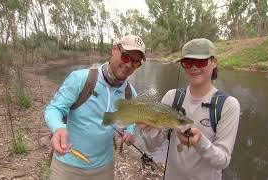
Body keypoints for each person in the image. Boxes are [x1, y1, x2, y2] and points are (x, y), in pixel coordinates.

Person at [44, 34, 146, 180]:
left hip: (104, 167)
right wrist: (58, 128)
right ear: (114, 50)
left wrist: (130, 131)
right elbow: (54, 109)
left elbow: (132, 118)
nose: (129, 65)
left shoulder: (130, 93)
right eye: (126, 57)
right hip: (67, 165)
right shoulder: (81, 79)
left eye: (136, 63)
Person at [138, 38, 240, 180]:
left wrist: (200, 143)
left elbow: (222, 161)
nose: (193, 67)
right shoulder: (172, 97)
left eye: (200, 62)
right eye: (187, 62)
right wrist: (151, 127)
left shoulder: (228, 105)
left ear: (214, 62)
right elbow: (152, 147)